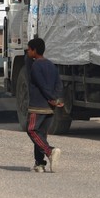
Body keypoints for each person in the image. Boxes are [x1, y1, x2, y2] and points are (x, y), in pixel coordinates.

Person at [25, 38, 63, 173]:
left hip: (38, 105)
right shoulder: (51, 65)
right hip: (50, 107)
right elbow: (59, 84)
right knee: (41, 134)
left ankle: (50, 151)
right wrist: (56, 99)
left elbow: (42, 85)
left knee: (31, 130)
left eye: (29, 49)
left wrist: (51, 98)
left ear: (34, 51)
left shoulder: (36, 65)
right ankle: (39, 163)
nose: (27, 52)